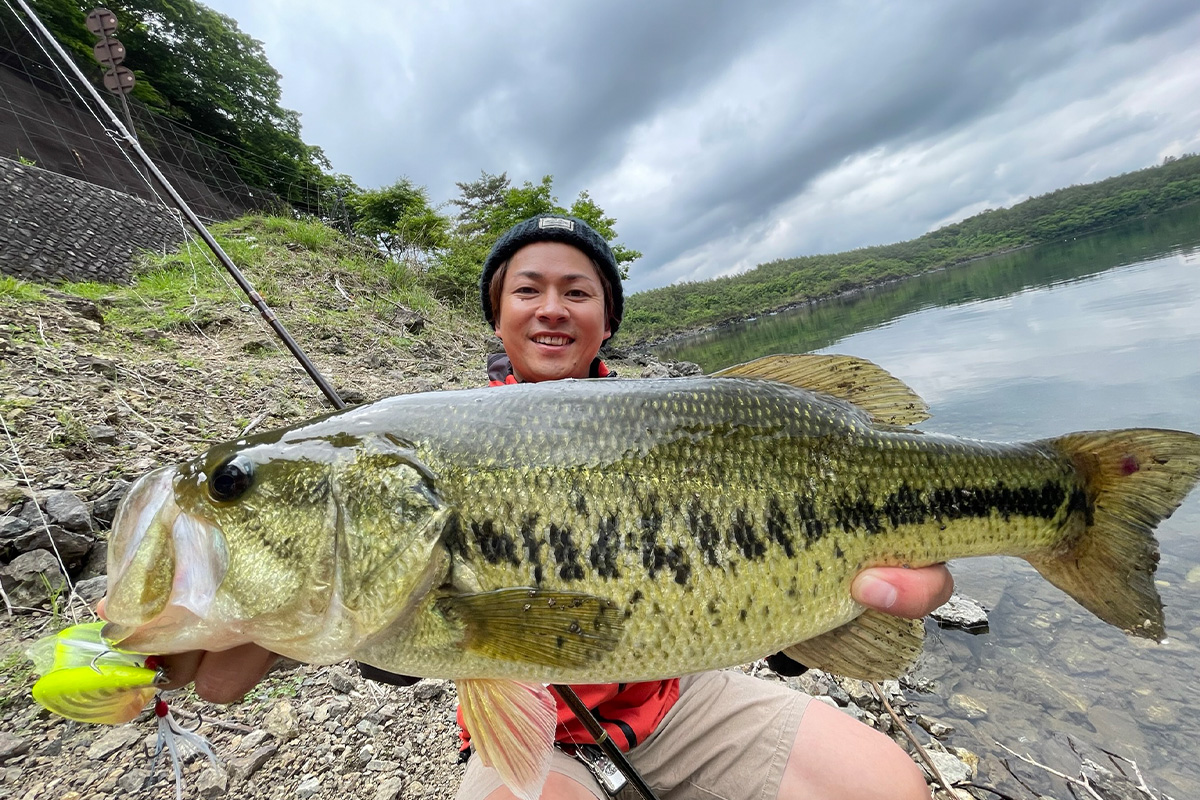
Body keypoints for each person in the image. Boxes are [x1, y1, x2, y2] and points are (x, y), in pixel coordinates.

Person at [156, 215, 954, 800]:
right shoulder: (419, 444)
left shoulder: (683, 420)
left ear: (607, 319)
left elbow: (737, 577)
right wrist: (208, 624)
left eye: (578, 290)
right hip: (539, 731)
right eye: (527, 289)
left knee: (888, 784)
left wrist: (813, 620)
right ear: (498, 319)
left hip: (677, 696)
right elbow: (276, 657)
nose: (551, 307)